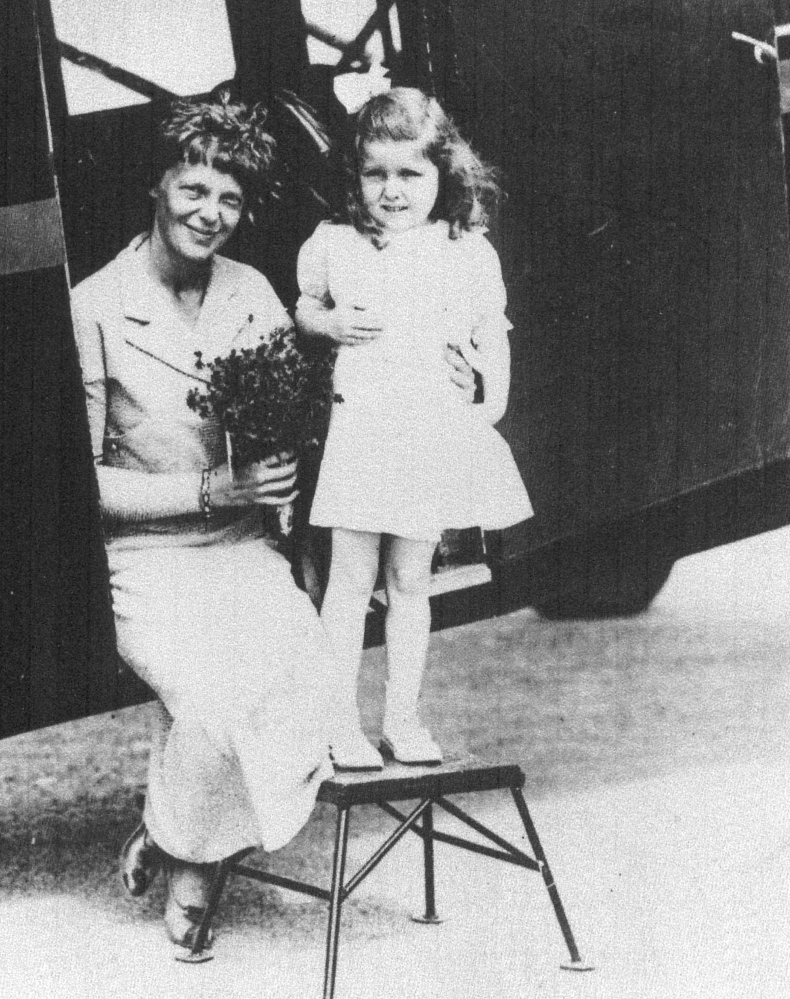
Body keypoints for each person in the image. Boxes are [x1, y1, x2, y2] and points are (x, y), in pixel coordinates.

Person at [70, 95, 336, 951]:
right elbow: (83, 485)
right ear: (156, 185)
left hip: (244, 549)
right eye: (193, 189)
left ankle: (171, 832)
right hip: (148, 561)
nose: (209, 212)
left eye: (230, 198)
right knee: (217, 703)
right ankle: (195, 868)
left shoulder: (251, 291)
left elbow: (287, 423)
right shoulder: (95, 304)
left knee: (307, 679)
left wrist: (283, 491)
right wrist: (215, 488)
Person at [295, 88, 533, 770]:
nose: (392, 190)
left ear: (442, 174)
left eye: (409, 173)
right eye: (376, 174)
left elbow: (492, 334)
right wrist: (328, 323)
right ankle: (339, 725)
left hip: (426, 434)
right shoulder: (336, 243)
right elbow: (304, 305)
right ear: (355, 177)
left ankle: (402, 719)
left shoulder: (465, 250)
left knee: (411, 582)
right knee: (348, 583)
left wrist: (487, 398)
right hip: (363, 434)